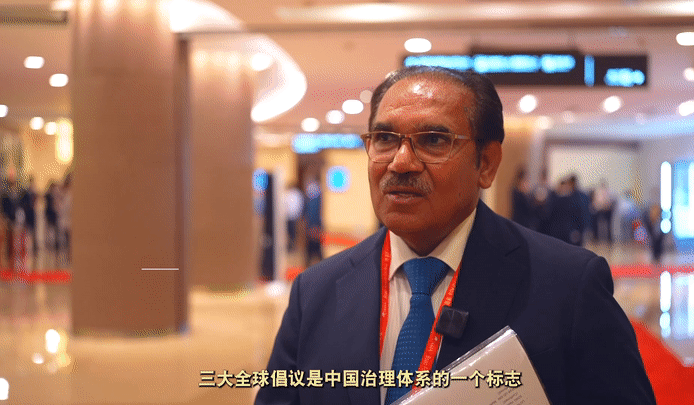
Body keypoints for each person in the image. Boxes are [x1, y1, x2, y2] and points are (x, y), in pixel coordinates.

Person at [256, 66, 655, 405]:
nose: (401, 162)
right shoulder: (316, 292)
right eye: (385, 139)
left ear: (487, 163)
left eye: (434, 140)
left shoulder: (568, 286)